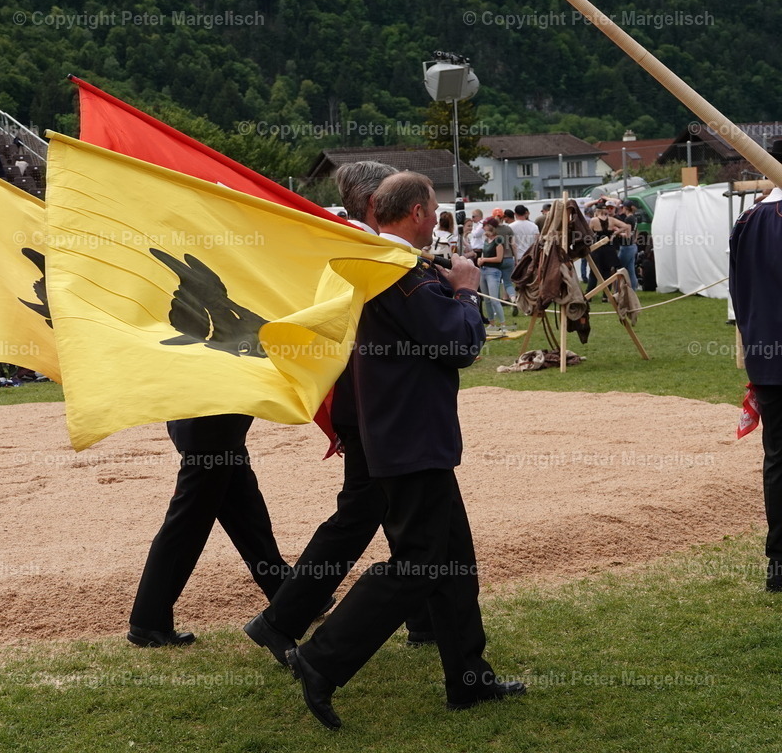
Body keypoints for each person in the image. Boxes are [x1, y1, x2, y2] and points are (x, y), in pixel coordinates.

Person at [286, 172, 523, 730]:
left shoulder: (384, 264)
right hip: (411, 437)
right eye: (433, 210)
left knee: (454, 562)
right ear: (416, 212)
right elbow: (459, 343)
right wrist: (465, 289)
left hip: (407, 434)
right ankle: (321, 659)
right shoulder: (398, 271)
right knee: (420, 563)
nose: (436, 219)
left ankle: (468, 678)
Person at [244, 161, 438, 668]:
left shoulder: (357, 250)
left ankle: (426, 619)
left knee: (399, 514)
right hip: (371, 410)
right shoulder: (362, 253)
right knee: (363, 516)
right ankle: (279, 620)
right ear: (376, 204)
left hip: (370, 408)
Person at [127, 414, 292, 647]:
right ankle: (149, 621)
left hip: (221, 429)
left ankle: (290, 598)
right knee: (185, 527)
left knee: (248, 516)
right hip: (211, 430)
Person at [729, 182, 782, 591]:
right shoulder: (754, 219)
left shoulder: (747, 220)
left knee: (778, 460)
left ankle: (779, 566)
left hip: (767, 357)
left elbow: (739, 291)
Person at [587, 202, 630, 293]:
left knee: (594, 273)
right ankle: (606, 296)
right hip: (609, 249)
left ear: (597, 211)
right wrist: (614, 233)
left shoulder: (593, 220)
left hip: (597, 249)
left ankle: (589, 294)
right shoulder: (611, 220)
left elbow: (589, 233)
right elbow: (626, 226)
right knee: (607, 273)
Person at [479, 218, 508, 334]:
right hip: (483, 270)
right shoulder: (486, 240)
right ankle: (492, 323)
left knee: (494, 299)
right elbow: (484, 254)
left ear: (491, 226)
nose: (483, 228)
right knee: (486, 300)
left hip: (493, 271)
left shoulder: (498, 240)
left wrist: (484, 259)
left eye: (485, 225)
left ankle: (503, 324)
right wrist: (480, 259)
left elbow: (499, 258)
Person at [616, 200, 640, 289]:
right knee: (631, 270)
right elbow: (636, 232)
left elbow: (627, 235)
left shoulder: (628, 219)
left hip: (626, 247)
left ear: (625, 208)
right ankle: (633, 289)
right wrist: (635, 240)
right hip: (632, 246)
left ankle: (617, 290)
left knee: (619, 269)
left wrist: (617, 233)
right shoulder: (634, 218)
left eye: (622, 207)